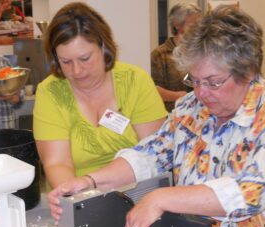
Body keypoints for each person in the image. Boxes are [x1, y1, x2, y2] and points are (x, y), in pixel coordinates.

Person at [49, 6, 265, 227]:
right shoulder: (192, 107)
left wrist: (162, 198)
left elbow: (247, 192)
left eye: (213, 82)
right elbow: (150, 153)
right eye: (193, 80)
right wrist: (91, 182)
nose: (201, 92)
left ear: (247, 72)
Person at [33, 2, 168, 190]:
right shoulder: (50, 92)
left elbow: (155, 154)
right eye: (66, 62)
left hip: (137, 195)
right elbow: (57, 163)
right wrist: (75, 198)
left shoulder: (135, 81)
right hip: (78, 198)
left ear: (104, 47)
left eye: (85, 58)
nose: (77, 71)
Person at [151, 3, 202, 111]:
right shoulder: (159, 55)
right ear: (177, 25)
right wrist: (179, 96)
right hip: (173, 117)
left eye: (200, 26)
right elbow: (152, 90)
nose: (199, 30)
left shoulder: (203, 51)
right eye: (193, 26)